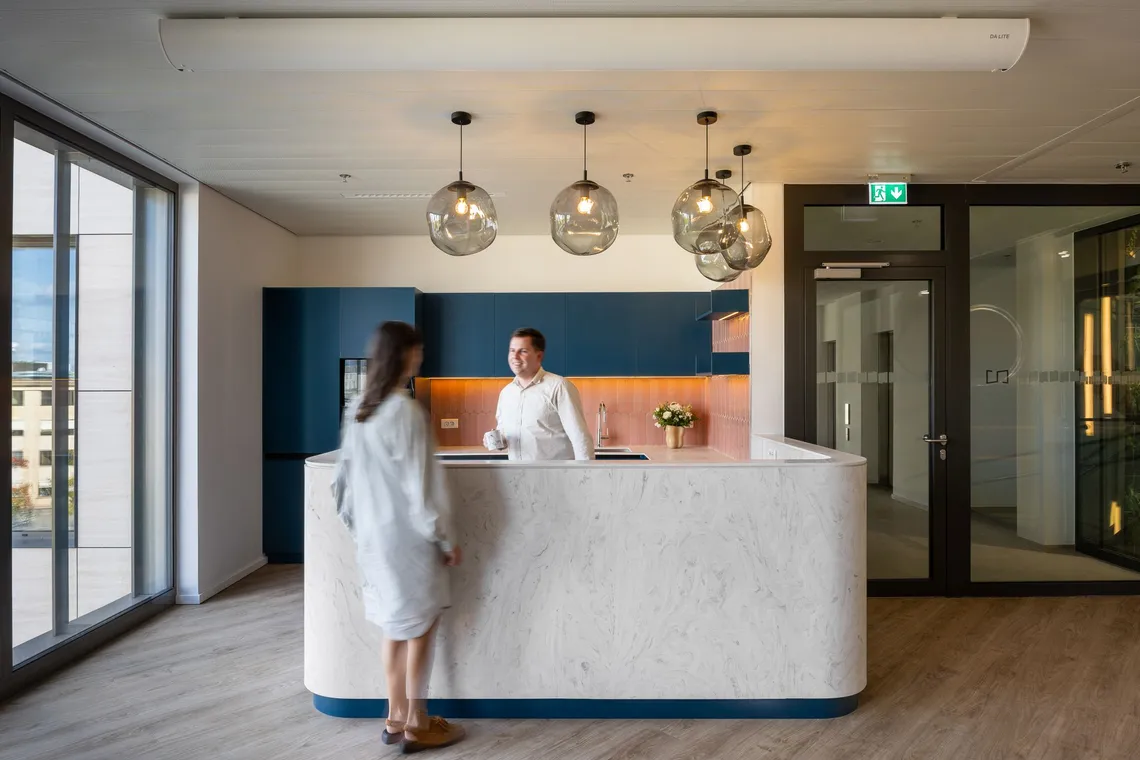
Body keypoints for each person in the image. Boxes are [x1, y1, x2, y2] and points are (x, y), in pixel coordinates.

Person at [333, 321, 465, 754]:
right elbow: (422, 489)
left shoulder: (358, 410)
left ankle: (393, 718)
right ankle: (418, 724)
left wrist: (360, 532)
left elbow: (342, 485)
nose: (420, 357)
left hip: (373, 541)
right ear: (405, 354)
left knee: (392, 627)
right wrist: (444, 540)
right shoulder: (406, 412)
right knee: (421, 628)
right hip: (408, 542)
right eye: (417, 350)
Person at [483, 327, 594, 461]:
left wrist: (586, 472)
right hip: (517, 473)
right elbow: (504, 432)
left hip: (555, 473)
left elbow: (580, 437)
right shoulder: (506, 393)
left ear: (539, 356)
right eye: (512, 350)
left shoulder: (559, 387)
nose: (515, 356)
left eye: (523, 351)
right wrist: (497, 440)